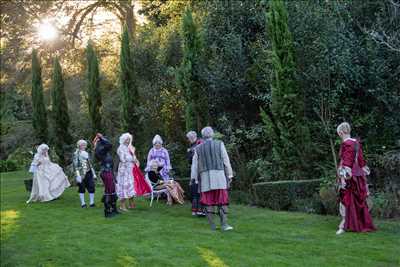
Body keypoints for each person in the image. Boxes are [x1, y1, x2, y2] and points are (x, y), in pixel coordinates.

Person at [191, 127, 234, 231]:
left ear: (203, 136)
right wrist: (229, 174)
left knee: (208, 201)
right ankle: (224, 225)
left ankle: (213, 226)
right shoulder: (220, 144)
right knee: (222, 201)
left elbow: (194, 166)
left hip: (205, 178)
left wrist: (194, 178)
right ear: (212, 134)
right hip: (219, 177)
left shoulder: (198, 148)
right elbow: (225, 160)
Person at [336, 122, 376, 235]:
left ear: (342, 132)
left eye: (339, 133)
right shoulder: (356, 143)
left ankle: (343, 226)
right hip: (358, 176)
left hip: (350, 177)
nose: (339, 135)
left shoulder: (346, 144)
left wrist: (343, 177)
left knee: (346, 199)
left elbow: (347, 162)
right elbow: (361, 160)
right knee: (358, 200)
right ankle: (358, 224)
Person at [116, 133, 152, 211]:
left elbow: (133, 157)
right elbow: (123, 159)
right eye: (126, 140)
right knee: (124, 186)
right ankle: (122, 205)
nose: (128, 141)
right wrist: (132, 159)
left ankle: (131, 204)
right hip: (124, 170)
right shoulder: (120, 148)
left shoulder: (129, 148)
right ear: (123, 140)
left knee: (131, 185)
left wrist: (134, 159)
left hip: (130, 170)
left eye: (129, 140)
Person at [145, 135, 184, 205]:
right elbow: (148, 160)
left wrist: (167, 168)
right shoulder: (151, 151)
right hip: (157, 180)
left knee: (173, 183)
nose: (157, 145)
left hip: (163, 169)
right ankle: (174, 199)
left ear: (161, 144)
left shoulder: (164, 151)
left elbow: (167, 160)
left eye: (159, 143)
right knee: (170, 184)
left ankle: (178, 196)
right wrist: (151, 166)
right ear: (154, 144)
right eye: (156, 144)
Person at [93, 133, 118, 218]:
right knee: (109, 191)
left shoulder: (104, 150)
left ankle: (114, 209)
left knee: (112, 190)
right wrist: (101, 138)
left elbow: (108, 145)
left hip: (109, 172)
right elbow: (109, 144)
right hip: (106, 172)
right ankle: (107, 212)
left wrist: (114, 176)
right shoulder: (100, 150)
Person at [73, 140, 97, 208]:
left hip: (89, 172)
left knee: (91, 186)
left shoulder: (86, 153)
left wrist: (93, 173)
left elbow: (90, 163)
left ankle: (92, 203)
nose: (84, 146)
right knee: (81, 188)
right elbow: (75, 165)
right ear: (79, 145)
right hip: (81, 174)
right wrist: (78, 175)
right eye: (82, 145)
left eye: (84, 145)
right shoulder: (76, 154)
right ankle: (83, 203)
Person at [186, 131, 205, 216]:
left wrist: (190, 151)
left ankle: (199, 210)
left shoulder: (199, 143)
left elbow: (192, 159)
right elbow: (190, 160)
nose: (188, 140)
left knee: (198, 190)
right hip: (196, 169)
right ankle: (195, 210)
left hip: (199, 169)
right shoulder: (193, 145)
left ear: (191, 138)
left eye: (188, 138)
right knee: (195, 190)